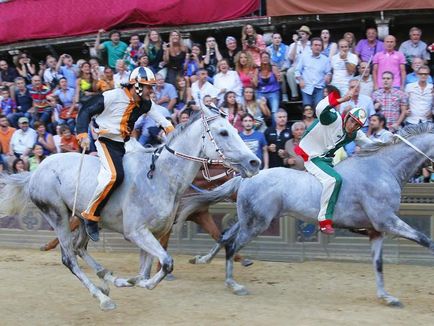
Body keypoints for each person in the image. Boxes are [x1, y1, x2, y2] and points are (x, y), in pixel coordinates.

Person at [76, 66, 174, 241]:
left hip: (127, 143)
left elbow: (162, 120)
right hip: (106, 141)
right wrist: (82, 134)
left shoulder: (145, 103)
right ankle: (90, 216)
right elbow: (85, 111)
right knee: (114, 176)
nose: (151, 90)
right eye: (148, 86)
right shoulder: (112, 96)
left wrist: (172, 133)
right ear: (136, 85)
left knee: (146, 169)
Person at [294, 87, 372, 234]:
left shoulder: (355, 134)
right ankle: (324, 221)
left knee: (349, 183)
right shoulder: (333, 119)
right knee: (333, 180)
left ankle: (351, 221)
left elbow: (371, 145)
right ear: (347, 117)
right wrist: (341, 99)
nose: (352, 126)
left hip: (326, 161)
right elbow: (320, 108)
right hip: (312, 156)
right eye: (352, 122)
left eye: (357, 125)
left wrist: (392, 143)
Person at [295, 37, 332, 107]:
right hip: (306, 87)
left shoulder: (325, 59)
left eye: (319, 45)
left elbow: (328, 72)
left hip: (319, 87)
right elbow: (297, 71)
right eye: (315, 45)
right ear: (311, 46)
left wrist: (328, 76)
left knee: (319, 108)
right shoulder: (304, 57)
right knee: (307, 108)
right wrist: (300, 80)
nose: (317, 47)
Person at [287, 25, 312, 100]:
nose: (301, 35)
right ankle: (295, 94)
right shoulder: (294, 44)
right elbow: (291, 58)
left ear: (307, 36)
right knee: (290, 72)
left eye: (303, 34)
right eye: (300, 34)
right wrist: (295, 43)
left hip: (308, 66)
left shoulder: (311, 44)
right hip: (296, 66)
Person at [257, 52, 281, 124]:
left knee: (275, 111)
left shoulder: (273, 68)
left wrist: (278, 76)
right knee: (259, 111)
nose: (265, 59)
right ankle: (261, 127)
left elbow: (280, 81)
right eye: (263, 57)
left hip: (273, 91)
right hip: (261, 92)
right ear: (260, 59)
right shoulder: (257, 69)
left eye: (266, 57)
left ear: (269, 59)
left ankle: (275, 128)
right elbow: (255, 84)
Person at [267, 32, 290, 102]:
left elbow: (287, 62)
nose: (277, 40)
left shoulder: (286, 48)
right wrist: (275, 70)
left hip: (284, 70)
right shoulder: (268, 49)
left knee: (281, 75)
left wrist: (281, 70)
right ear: (272, 40)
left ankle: (284, 95)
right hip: (273, 70)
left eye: (279, 38)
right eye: (275, 38)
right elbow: (269, 62)